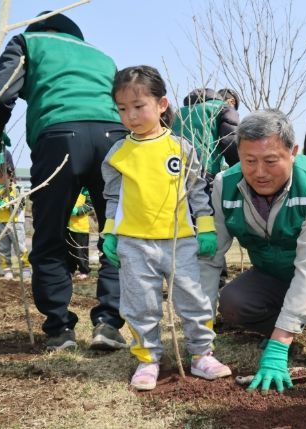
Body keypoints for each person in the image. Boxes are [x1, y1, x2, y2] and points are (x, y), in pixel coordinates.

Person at [0, 11, 128, 351]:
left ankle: (60, 329)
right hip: (114, 137)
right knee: (117, 232)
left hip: (60, 135)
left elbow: (3, 92)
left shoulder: (26, 41)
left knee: (50, 235)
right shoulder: (101, 56)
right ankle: (109, 323)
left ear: (40, 28)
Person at [101, 65, 231, 390]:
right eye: (122, 109)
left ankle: (201, 354)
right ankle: (148, 360)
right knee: (140, 303)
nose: (130, 116)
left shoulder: (181, 149)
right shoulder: (118, 154)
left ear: (161, 104)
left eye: (138, 106)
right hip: (134, 243)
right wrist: (109, 233)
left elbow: (197, 191)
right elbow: (113, 197)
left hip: (179, 241)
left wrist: (206, 228)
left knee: (193, 298)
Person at [200, 109, 306, 384]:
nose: (259, 173)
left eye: (270, 161)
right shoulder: (224, 185)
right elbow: (210, 260)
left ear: (293, 152)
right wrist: (200, 327)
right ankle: (281, 328)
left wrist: (278, 347)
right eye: (249, 161)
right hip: (272, 273)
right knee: (232, 302)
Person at [172, 88, 240, 186]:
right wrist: (239, 169)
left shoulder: (179, 111)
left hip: (173, 166)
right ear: (232, 101)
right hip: (204, 170)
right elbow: (230, 141)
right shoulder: (224, 108)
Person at [0, 159, 31, 280]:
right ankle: (7, 269)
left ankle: (25, 268)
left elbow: (19, 205)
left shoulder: (17, 188)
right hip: (0, 222)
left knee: (20, 246)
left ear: (5, 175)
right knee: (3, 248)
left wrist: (4, 204)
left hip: (15, 222)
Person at [67, 188, 92, 281]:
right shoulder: (69, 187)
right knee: (69, 251)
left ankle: (84, 271)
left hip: (81, 227)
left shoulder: (86, 190)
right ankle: (70, 269)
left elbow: (90, 205)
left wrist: (77, 211)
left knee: (81, 251)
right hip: (68, 226)